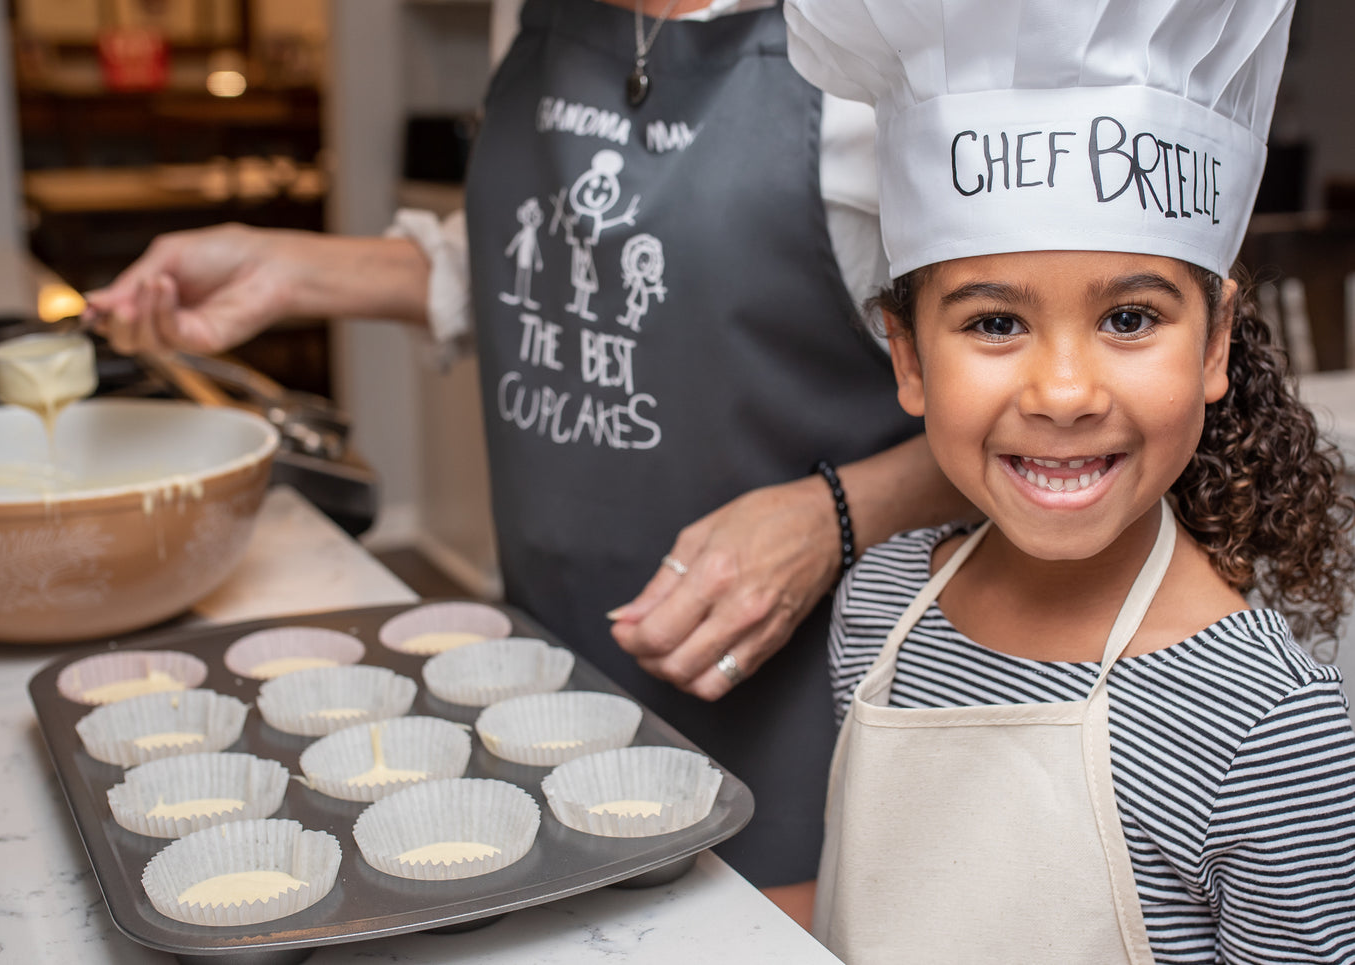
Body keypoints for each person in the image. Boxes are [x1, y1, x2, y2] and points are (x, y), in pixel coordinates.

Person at [84, 0, 966, 924]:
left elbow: (1043, 419)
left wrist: (833, 513)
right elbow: (539, 261)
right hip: (538, 672)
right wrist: (282, 270)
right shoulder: (534, 18)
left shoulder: (891, 29)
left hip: (798, 700)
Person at [784, 0, 1355, 961]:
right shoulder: (878, 609)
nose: (1061, 392)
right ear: (909, 358)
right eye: (994, 323)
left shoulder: (1268, 727)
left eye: (1129, 319)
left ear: (1214, 343)